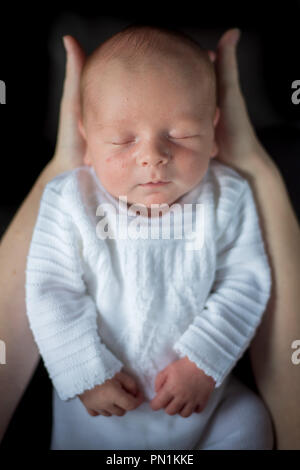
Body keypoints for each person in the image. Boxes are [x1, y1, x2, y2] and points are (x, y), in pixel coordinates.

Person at [0, 26, 299, 450]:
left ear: (213, 132)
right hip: (99, 409)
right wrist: (85, 371)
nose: (153, 156)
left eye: (179, 135)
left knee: (249, 422)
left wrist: (203, 361)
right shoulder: (71, 200)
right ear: (87, 141)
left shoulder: (227, 196)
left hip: (204, 406)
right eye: (123, 140)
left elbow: (245, 282)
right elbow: (51, 290)